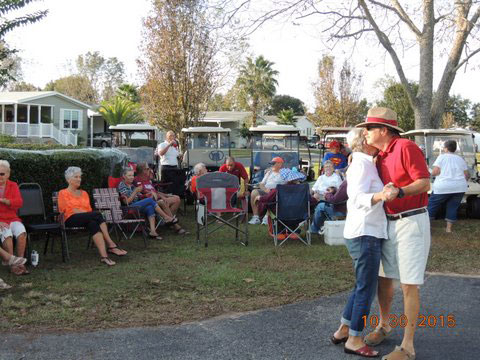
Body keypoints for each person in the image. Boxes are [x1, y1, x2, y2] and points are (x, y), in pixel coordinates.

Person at [357, 107, 431, 360]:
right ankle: (385, 324)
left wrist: (399, 191)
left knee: (409, 284)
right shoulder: (379, 154)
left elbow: (424, 182)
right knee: (384, 278)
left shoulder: (405, 147)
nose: (364, 132)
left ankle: (408, 346)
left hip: (411, 221)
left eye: (368, 127)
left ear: (384, 130)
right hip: (387, 222)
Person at [331, 128, 388, 358]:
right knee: (366, 287)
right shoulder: (362, 164)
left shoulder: (365, 162)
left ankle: (344, 329)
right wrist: (382, 195)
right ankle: (354, 339)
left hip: (363, 231)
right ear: (365, 141)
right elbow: (356, 198)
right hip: (366, 233)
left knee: (361, 284)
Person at [58, 167, 127, 266]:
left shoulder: (84, 193)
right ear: (68, 179)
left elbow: (88, 210)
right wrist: (82, 212)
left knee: (93, 223)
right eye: (76, 177)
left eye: (80, 177)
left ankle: (104, 257)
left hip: (84, 218)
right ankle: (111, 244)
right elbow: (68, 210)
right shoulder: (63, 193)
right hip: (69, 219)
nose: (79, 179)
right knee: (97, 214)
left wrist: (81, 211)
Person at [118, 168, 177, 240]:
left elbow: (139, 197)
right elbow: (126, 202)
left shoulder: (132, 186)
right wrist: (135, 192)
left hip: (136, 206)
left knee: (150, 207)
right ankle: (166, 217)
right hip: (128, 208)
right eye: (129, 175)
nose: (132, 177)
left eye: (133, 175)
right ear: (124, 176)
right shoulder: (122, 185)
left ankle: (152, 231)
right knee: (149, 201)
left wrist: (146, 195)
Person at [427, 140, 469, 233]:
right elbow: (467, 175)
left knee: (432, 206)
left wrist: (429, 170)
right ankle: (448, 229)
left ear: (445, 148)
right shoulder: (460, 159)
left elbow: (435, 172)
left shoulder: (441, 157)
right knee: (453, 206)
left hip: (443, 187)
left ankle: (426, 227)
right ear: (455, 149)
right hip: (459, 187)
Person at [134, 163, 188, 235]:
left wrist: (166, 195)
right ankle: (176, 226)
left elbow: (155, 191)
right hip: (150, 201)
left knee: (177, 198)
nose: (149, 170)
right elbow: (145, 192)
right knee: (163, 201)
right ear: (142, 170)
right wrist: (162, 196)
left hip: (157, 198)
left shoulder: (147, 180)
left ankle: (168, 222)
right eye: (147, 169)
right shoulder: (137, 180)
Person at [0, 160, 28, 275]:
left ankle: (20, 262)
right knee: (7, 234)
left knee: (21, 232)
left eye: (2, 174)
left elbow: (19, 203)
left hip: (12, 218)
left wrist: (7, 201)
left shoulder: (13, 185)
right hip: (0, 220)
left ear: (8, 174)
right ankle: (13, 265)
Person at [249, 157, 286, 225]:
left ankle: (267, 218)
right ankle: (256, 217)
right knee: (254, 192)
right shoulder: (269, 172)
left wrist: (271, 192)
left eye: (273, 164)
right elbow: (262, 184)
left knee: (271, 196)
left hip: (277, 193)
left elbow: (286, 185)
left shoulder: (284, 173)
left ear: (280, 164)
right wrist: (266, 190)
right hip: (267, 190)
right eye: (271, 164)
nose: (271, 165)